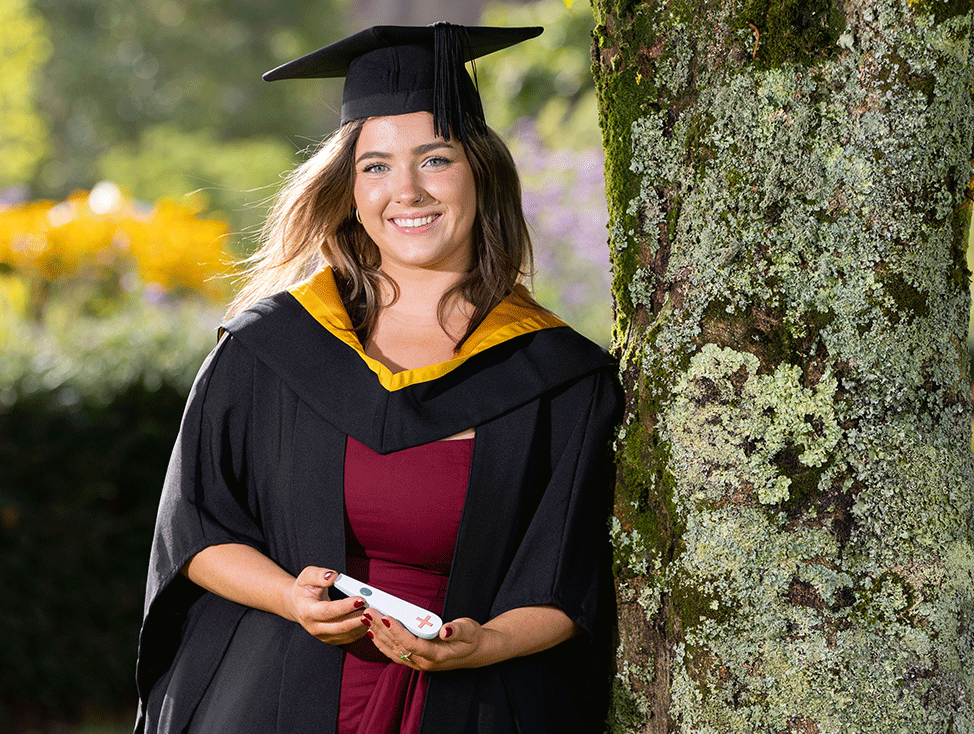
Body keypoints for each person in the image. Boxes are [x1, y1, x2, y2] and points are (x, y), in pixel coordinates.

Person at [134, 22, 621, 734]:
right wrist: (287, 596)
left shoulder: (558, 378)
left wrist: (483, 643)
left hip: (467, 705)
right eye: (377, 166)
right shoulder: (270, 348)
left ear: (481, 172)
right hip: (276, 699)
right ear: (350, 189)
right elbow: (197, 528)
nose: (408, 191)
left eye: (436, 159)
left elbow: (568, 576)